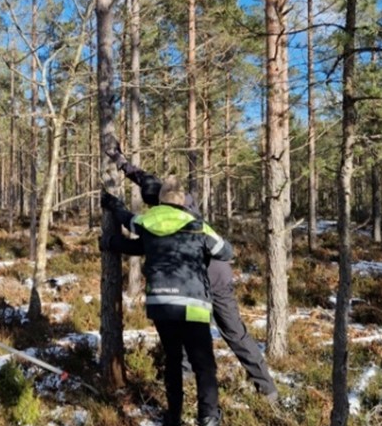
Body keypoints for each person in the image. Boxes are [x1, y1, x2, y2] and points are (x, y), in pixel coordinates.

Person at [107, 141, 279, 402]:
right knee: (192, 327)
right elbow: (144, 179)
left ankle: (266, 388)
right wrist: (121, 162)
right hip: (191, 277)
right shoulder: (166, 200)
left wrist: (112, 238)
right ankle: (186, 375)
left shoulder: (180, 213)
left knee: (232, 331)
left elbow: (141, 241)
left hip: (214, 276)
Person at [101, 176, 232, 426]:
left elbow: (130, 225)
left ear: (161, 200)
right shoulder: (197, 225)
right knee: (204, 369)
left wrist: (113, 216)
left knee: (173, 359)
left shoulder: (148, 220)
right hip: (193, 307)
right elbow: (225, 251)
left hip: (161, 305)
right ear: (182, 201)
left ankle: (173, 422)